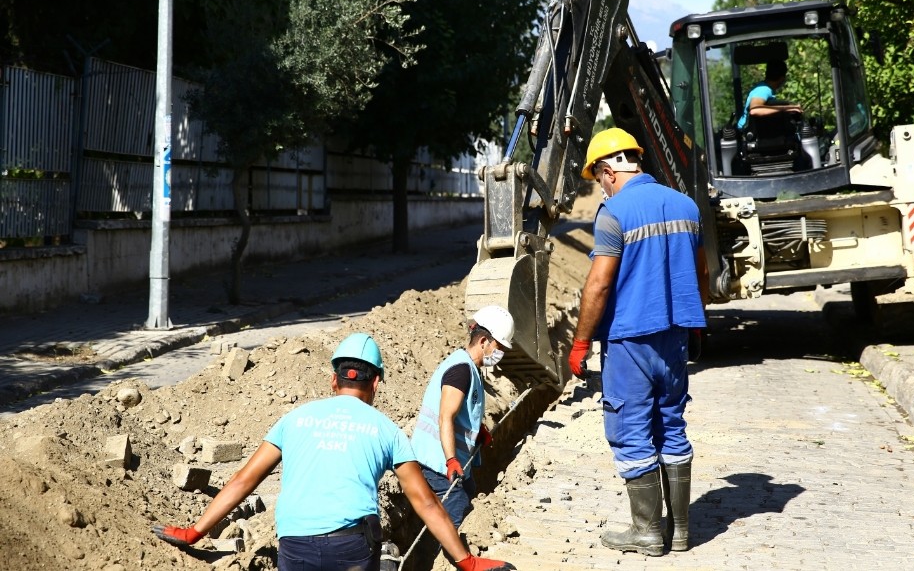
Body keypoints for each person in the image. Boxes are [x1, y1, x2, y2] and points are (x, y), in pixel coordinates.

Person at [152, 333, 514, 571]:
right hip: (351, 549)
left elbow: (244, 480)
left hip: (294, 547)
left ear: (333, 379)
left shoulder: (294, 419)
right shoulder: (386, 430)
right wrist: (465, 561)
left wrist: (195, 532)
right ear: (376, 382)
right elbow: (425, 502)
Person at [567, 127, 708, 557]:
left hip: (630, 342)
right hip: (676, 340)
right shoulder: (686, 206)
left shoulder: (614, 214)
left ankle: (646, 531)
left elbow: (598, 285)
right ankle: (680, 532)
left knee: (629, 432)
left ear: (608, 171)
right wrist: (697, 325)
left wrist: (580, 341)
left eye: (597, 178)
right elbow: (700, 273)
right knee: (672, 425)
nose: (600, 187)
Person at [410, 305, 515, 529]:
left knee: (468, 497)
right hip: (437, 464)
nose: (501, 354)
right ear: (484, 341)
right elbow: (445, 417)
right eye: (499, 346)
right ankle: (450, 561)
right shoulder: (461, 370)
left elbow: (461, 413)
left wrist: (477, 432)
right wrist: (450, 461)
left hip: (449, 461)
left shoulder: (469, 367)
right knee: (454, 521)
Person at [736, 59, 789, 130]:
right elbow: (754, 110)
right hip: (746, 133)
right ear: (782, 78)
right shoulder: (763, 90)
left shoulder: (766, 88)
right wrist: (784, 110)